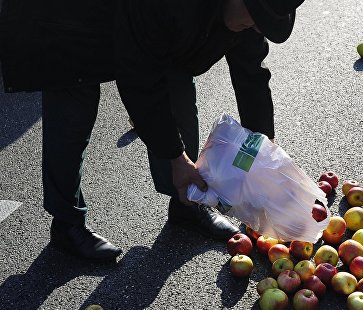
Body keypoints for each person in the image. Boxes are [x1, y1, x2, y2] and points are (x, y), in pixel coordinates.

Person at [0, 0, 305, 261]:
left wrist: (263, 149)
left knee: (180, 100)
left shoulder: (250, 14)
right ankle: (66, 223)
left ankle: (187, 203)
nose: (256, 26)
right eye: (255, 16)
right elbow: (141, 81)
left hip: (153, 26)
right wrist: (175, 158)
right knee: (72, 115)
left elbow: (251, 74)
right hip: (73, 18)